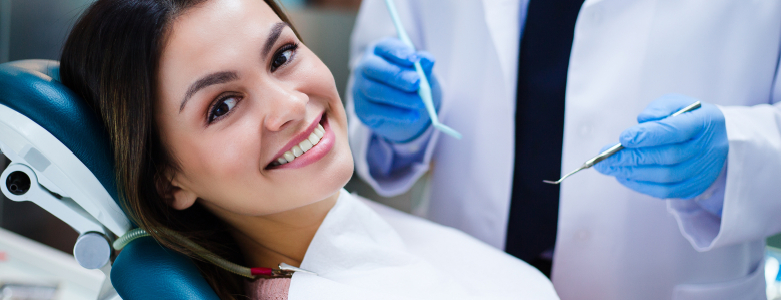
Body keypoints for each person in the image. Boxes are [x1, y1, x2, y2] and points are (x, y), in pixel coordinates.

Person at [58, 0, 559, 299]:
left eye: (283, 55)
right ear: (169, 179)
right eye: (223, 105)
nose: (290, 107)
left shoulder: (357, 234)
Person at [347, 0, 781, 299]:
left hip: (662, 274)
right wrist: (394, 122)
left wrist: (736, 158)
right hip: (465, 262)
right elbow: (386, 44)